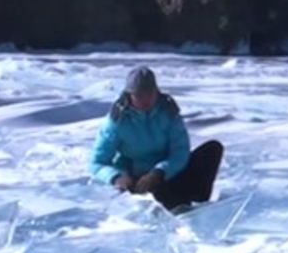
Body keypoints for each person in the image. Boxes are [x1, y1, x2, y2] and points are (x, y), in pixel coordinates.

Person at [90, 65, 223, 211]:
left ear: (156, 92)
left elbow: (180, 152)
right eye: (139, 95)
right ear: (129, 95)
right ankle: (178, 205)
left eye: (150, 94)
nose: (145, 100)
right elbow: (98, 162)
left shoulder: (169, 113)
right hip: (138, 181)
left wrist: (160, 171)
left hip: (168, 172)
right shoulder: (117, 121)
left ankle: (198, 199)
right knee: (165, 194)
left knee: (213, 148)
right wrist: (116, 177)